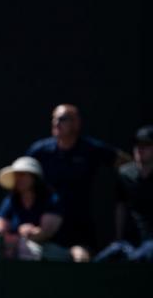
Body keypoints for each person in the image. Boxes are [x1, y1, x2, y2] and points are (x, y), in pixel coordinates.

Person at [26, 104, 132, 261]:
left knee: (81, 259)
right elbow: (22, 176)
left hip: (79, 226)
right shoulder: (40, 150)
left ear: (76, 123)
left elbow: (126, 163)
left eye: (62, 119)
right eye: (54, 119)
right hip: (48, 225)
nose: (56, 123)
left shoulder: (90, 149)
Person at [0, 156, 70, 260]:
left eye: (23, 175)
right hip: (14, 249)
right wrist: (2, 231)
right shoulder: (12, 199)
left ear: (34, 178)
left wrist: (29, 233)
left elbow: (46, 232)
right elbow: (0, 222)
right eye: (16, 175)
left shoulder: (51, 199)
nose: (18, 179)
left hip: (49, 250)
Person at [95, 126, 153, 262]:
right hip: (129, 243)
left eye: (146, 145)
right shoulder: (125, 174)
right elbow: (120, 206)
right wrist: (119, 238)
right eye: (137, 144)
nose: (140, 149)